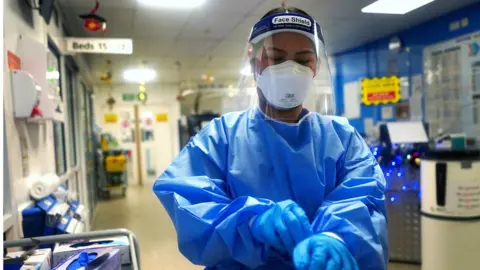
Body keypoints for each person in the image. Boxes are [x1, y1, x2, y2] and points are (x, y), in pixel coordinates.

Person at [153, 6, 388, 270]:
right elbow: (190, 204)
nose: (291, 69)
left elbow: (364, 201)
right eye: (276, 58)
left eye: (303, 60)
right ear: (254, 62)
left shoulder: (343, 140)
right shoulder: (221, 138)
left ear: (316, 66)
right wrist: (252, 224)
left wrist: (337, 238)